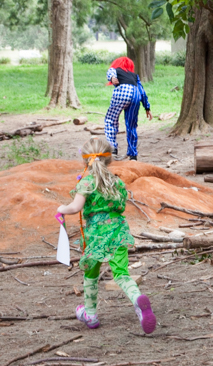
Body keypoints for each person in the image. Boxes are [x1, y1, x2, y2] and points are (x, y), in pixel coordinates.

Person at [57, 137, 156, 333]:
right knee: (121, 273)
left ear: (85, 161)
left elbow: (75, 207)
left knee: (91, 273)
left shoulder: (87, 182)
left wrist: (62, 208)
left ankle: (90, 314)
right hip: (118, 231)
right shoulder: (116, 182)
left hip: (96, 235)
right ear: (109, 159)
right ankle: (137, 299)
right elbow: (120, 206)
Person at [105, 57, 153, 161]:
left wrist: (112, 77)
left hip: (123, 93)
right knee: (131, 126)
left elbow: (111, 70)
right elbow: (142, 91)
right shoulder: (135, 76)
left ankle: (112, 148)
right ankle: (133, 155)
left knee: (110, 120)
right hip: (136, 95)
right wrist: (147, 107)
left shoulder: (116, 70)